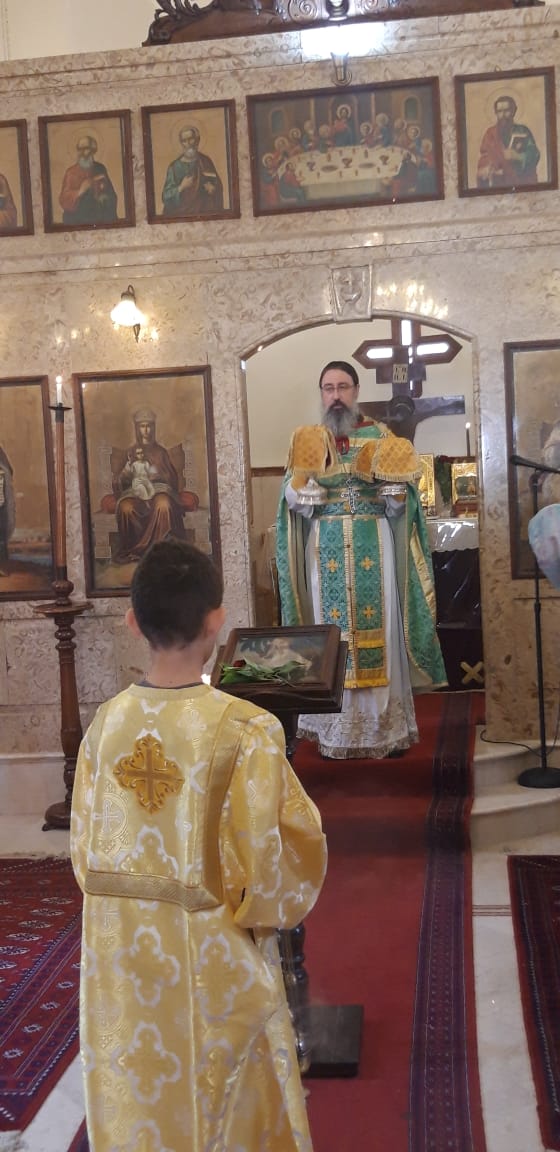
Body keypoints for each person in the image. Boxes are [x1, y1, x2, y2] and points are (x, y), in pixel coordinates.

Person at [70, 539, 327, 1152]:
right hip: (217, 966)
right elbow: (278, 863)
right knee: (226, 1110)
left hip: (121, 961)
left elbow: (84, 855)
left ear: (133, 622)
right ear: (218, 621)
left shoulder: (104, 726)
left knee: (141, 1101)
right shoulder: (246, 730)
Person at [276, 360, 447, 759]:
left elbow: (404, 502)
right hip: (325, 550)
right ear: (322, 394)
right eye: (328, 388)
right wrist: (299, 493)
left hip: (376, 545)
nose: (336, 395)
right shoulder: (308, 440)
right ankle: (335, 733)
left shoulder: (382, 438)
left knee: (382, 632)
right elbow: (290, 496)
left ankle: (384, 731)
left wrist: (395, 494)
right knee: (331, 633)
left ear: (356, 391)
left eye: (343, 387)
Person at [113, 407, 195, 562]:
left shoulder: (161, 452)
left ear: (154, 428)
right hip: (135, 491)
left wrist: (158, 476)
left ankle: (162, 550)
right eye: (142, 426)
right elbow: (121, 480)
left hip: (158, 490)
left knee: (163, 505)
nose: (146, 430)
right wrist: (126, 477)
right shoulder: (131, 452)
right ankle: (133, 550)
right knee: (125, 508)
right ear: (137, 428)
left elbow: (171, 478)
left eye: (149, 426)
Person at [477, 95, 540, 189]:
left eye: (507, 110)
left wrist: (517, 156)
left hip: (521, 183)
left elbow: (534, 154)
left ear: (514, 111)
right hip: (499, 184)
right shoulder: (490, 134)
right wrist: (487, 168)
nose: (503, 115)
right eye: (499, 111)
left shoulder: (523, 131)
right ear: (496, 113)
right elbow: (484, 157)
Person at [162, 125, 224, 217]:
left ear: (197, 140)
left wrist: (213, 189)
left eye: (191, 139)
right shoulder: (174, 167)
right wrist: (181, 187)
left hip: (204, 213)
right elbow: (166, 197)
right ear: (181, 143)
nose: (188, 143)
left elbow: (217, 185)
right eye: (184, 141)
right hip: (181, 215)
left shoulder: (205, 161)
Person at [59, 135, 118, 226]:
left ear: (93, 150)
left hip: (98, 216)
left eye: (85, 148)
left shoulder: (100, 168)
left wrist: (105, 198)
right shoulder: (71, 172)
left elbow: (112, 194)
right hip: (78, 218)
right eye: (79, 149)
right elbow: (63, 199)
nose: (82, 152)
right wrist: (79, 192)